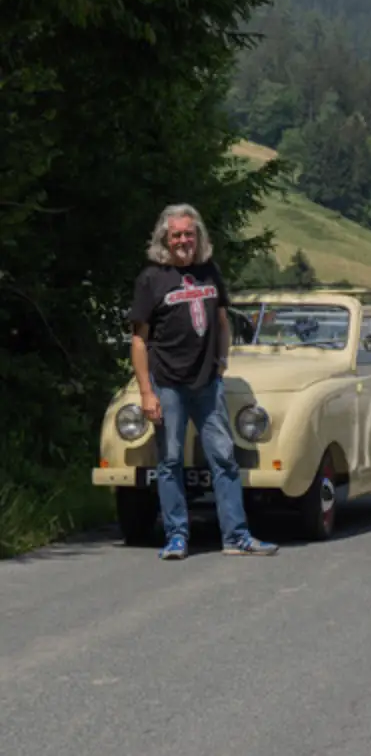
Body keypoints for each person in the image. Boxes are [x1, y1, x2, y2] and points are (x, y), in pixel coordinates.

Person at [129, 204, 279, 560]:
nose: (183, 240)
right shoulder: (152, 278)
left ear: (198, 236)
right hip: (167, 383)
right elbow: (138, 340)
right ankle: (177, 536)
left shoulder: (209, 271)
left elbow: (223, 319)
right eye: (177, 234)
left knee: (224, 458)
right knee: (170, 461)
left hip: (207, 383)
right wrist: (146, 392)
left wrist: (223, 360)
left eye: (189, 234)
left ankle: (236, 536)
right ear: (165, 238)